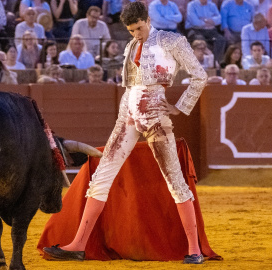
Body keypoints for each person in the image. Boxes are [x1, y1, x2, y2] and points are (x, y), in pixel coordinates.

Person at [42, 1, 208, 264]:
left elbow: (200, 75)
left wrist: (179, 107)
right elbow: (131, 87)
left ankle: (194, 250)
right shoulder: (131, 46)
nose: (135, 34)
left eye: (139, 28)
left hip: (155, 114)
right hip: (127, 113)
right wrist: (126, 112)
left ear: (147, 20)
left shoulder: (171, 41)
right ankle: (78, 245)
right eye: (131, 31)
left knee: (175, 181)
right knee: (102, 176)